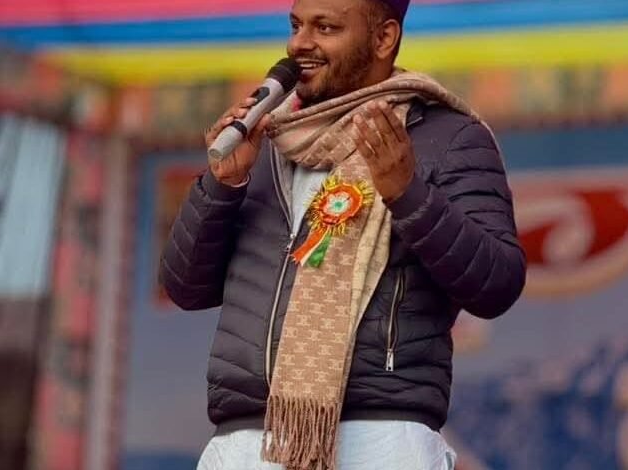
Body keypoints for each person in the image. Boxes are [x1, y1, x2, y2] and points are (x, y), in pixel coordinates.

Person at [160, 0, 526, 468]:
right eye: (296, 25)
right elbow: (185, 287)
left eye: (325, 28)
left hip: (379, 435)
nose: (299, 44)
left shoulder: (447, 138)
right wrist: (222, 185)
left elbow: (497, 284)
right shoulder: (267, 138)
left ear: (383, 38)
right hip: (244, 441)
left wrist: (409, 196)